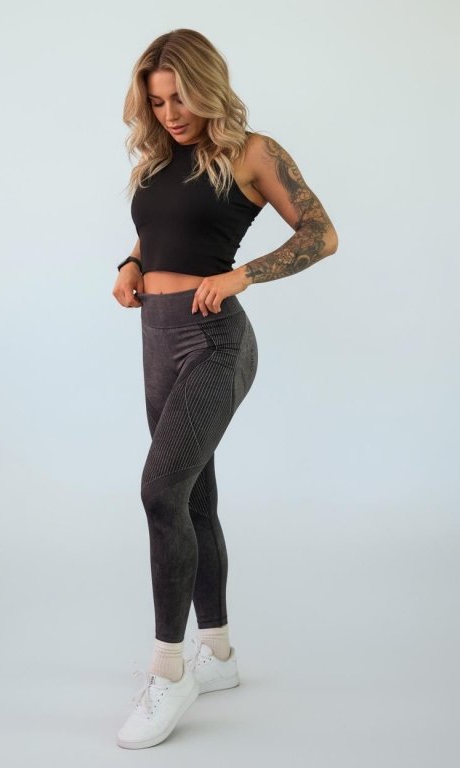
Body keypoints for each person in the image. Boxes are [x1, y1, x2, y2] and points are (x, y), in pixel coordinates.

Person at [111, 28, 339, 749]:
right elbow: (161, 230)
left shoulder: (252, 152)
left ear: (208, 86)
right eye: (158, 102)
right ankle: (218, 655)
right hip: (157, 336)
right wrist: (129, 263)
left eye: (180, 98)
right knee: (191, 497)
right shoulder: (157, 162)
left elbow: (321, 234)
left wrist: (242, 275)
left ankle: (170, 669)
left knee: (159, 493)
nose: (170, 113)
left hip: (215, 342)